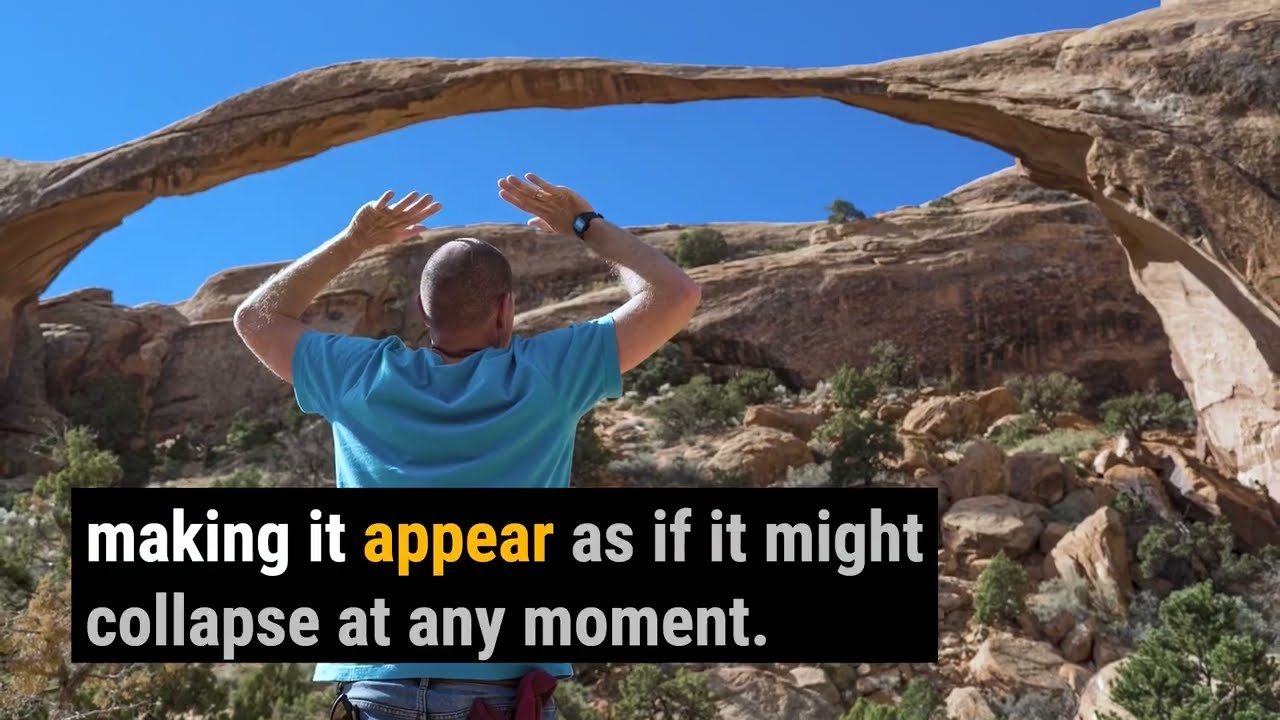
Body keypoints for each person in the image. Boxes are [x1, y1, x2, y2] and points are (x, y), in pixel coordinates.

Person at [233, 173, 702, 720]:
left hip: (378, 692)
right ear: (504, 310)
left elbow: (255, 318)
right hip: (499, 697)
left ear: (422, 309)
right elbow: (675, 294)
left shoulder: (359, 375)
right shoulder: (549, 374)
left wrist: (355, 240)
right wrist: (584, 224)